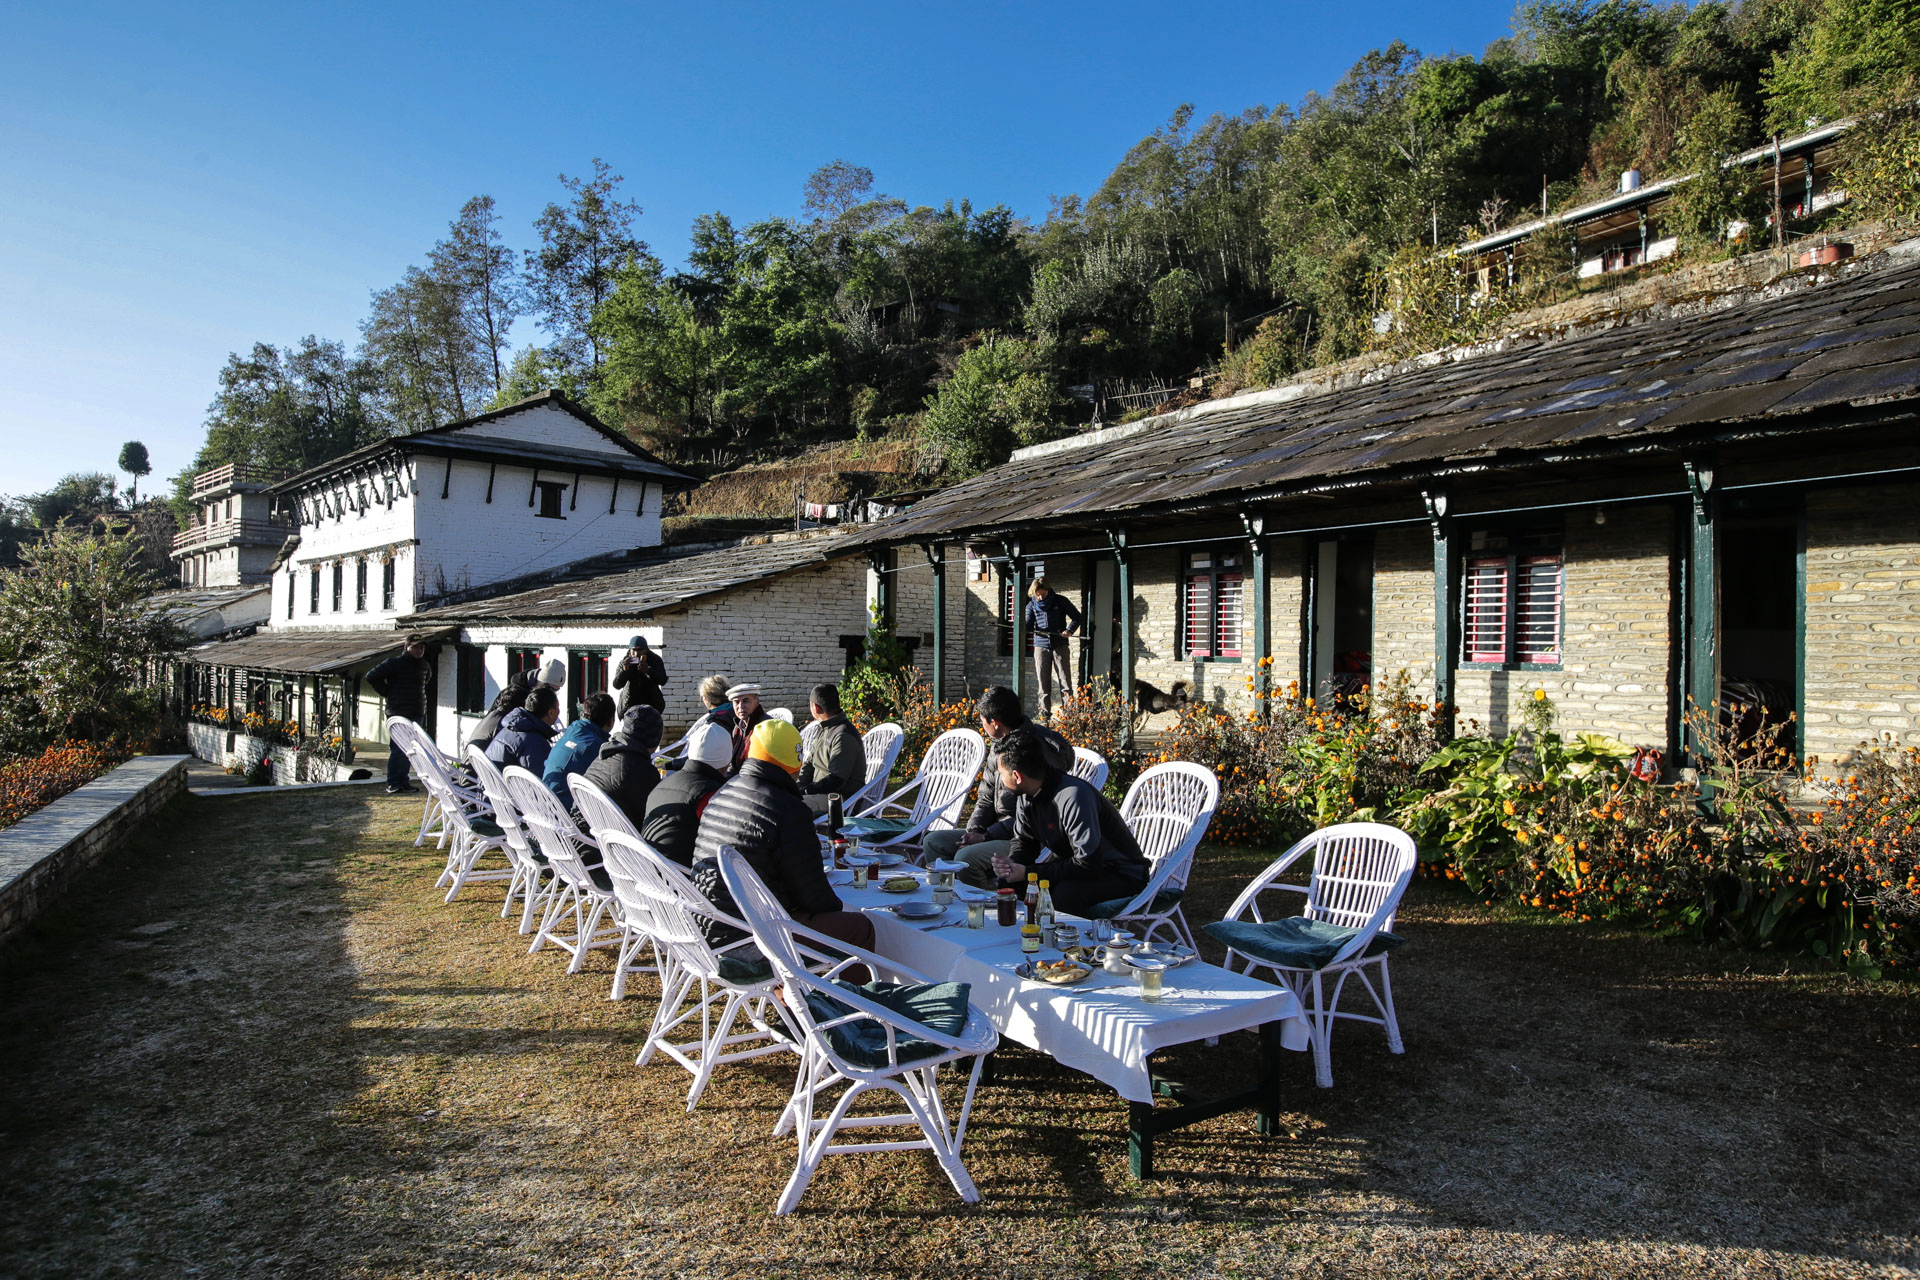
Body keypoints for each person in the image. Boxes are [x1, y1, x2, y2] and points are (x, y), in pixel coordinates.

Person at [690, 720, 875, 960]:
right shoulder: (788, 809)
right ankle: (844, 997)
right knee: (860, 927)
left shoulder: (724, 791)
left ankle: (793, 991)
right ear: (795, 764)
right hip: (751, 937)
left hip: (709, 925)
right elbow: (816, 899)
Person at [989, 728, 1151, 918]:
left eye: (1001, 773)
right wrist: (1012, 866)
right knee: (1008, 886)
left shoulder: (1074, 796)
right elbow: (1024, 843)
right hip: (1083, 868)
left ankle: (1071, 945)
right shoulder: (1027, 794)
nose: (1000, 779)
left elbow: (1088, 863)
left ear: (1017, 776)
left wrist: (1028, 872)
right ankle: (1014, 939)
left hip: (1120, 874)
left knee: (1060, 896)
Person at [923, 686, 1074, 888]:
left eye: (982, 720)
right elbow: (986, 796)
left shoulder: (1031, 751)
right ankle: (944, 896)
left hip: (1026, 837)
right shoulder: (1000, 746)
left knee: (966, 857)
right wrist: (973, 831)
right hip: (995, 830)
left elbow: (1036, 813)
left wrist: (986, 836)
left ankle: (991, 901)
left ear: (994, 723)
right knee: (933, 841)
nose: (981, 725)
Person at [641, 720, 732, 865]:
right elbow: (724, 845)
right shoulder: (711, 794)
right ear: (727, 760)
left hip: (651, 870)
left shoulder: (663, 783)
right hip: (682, 878)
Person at [366, 633, 436, 794]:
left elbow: (426, 681)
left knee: (411, 749)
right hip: (397, 712)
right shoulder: (394, 663)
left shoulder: (424, 665)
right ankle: (393, 783)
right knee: (398, 749)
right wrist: (389, 693)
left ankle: (404, 782)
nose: (419, 650)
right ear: (407, 647)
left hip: (417, 712)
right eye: (415, 647)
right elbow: (371, 676)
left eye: (421, 647)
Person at [574, 704, 663, 829]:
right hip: (601, 843)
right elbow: (650, 820)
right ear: (655, 740)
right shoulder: (643, 772)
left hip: (582, 832)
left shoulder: (604, 756)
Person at [797, 682, 866, 815]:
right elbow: (809, 765)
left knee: (787, 808)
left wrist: (806, 791)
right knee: (779, 800)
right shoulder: (825, 728)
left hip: (839, 800)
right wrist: (797, 787)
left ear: (815, 708)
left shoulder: (843, 735)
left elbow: (836, 780)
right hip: (818, 794)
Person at [468, 658, 565, 750]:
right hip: (488, 751)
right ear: (544, 685)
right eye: (552, 690)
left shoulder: (523, 691)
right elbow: (521, 736)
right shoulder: (517, 699)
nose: (552, 695)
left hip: (481, 752)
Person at [543, 691, 615, 807]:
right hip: (566, 812)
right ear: (611, 721)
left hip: (546, 804)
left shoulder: (572, 730)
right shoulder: (597, 747)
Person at [1026, 578, 1083, 721]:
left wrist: (1069, 630)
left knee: (1065, 682)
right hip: (1041, 646)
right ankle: (1044, 716)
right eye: (1037, 595)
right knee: (1043, 684)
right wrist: (1023, 626)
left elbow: (1077, 617)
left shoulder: (1060, 601)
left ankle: (1069, 715)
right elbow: (1028, 623)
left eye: (1043, 594)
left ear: (1048, 590)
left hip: (1060, 645)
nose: (1040, 597)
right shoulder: (1031, 605)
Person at [486, 686, 562, 775]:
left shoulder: (511, 727)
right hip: (505, 787)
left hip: (488, 785)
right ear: (550, 713)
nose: (559, 710)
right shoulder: (535, 741)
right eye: (557, 707)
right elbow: (539, 780)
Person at [611, 635, 668, 715]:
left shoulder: (654, 659)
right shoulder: (625, 661)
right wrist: (624, 671)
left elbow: (663, 680)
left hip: (651, 704)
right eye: (633, 650)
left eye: (640, 650)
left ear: (646, 650)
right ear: (630, 650)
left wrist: (648, 671)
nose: (636, 654)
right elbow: (617, 685)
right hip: (629, 705)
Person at [723, 681, 771, 775]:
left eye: (746, 701)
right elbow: (734, 764)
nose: (740, 707)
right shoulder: (738, 727)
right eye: (736, 702)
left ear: (757, 702)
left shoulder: (766, 726)